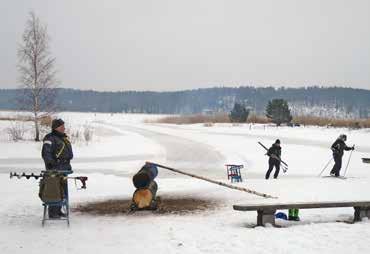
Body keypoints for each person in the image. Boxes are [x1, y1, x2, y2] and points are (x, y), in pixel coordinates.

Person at [41, 118, 73, 218]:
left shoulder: (63, 137)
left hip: (64, 168)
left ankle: (58, 211)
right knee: (54, 191)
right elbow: (46, 153)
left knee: (62, 191)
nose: (64, 128)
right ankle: (53, 213)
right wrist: (50, 164)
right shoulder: (50, 138)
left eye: (64, 126)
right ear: (57, 127)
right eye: (62, 126)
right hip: (55, 169)